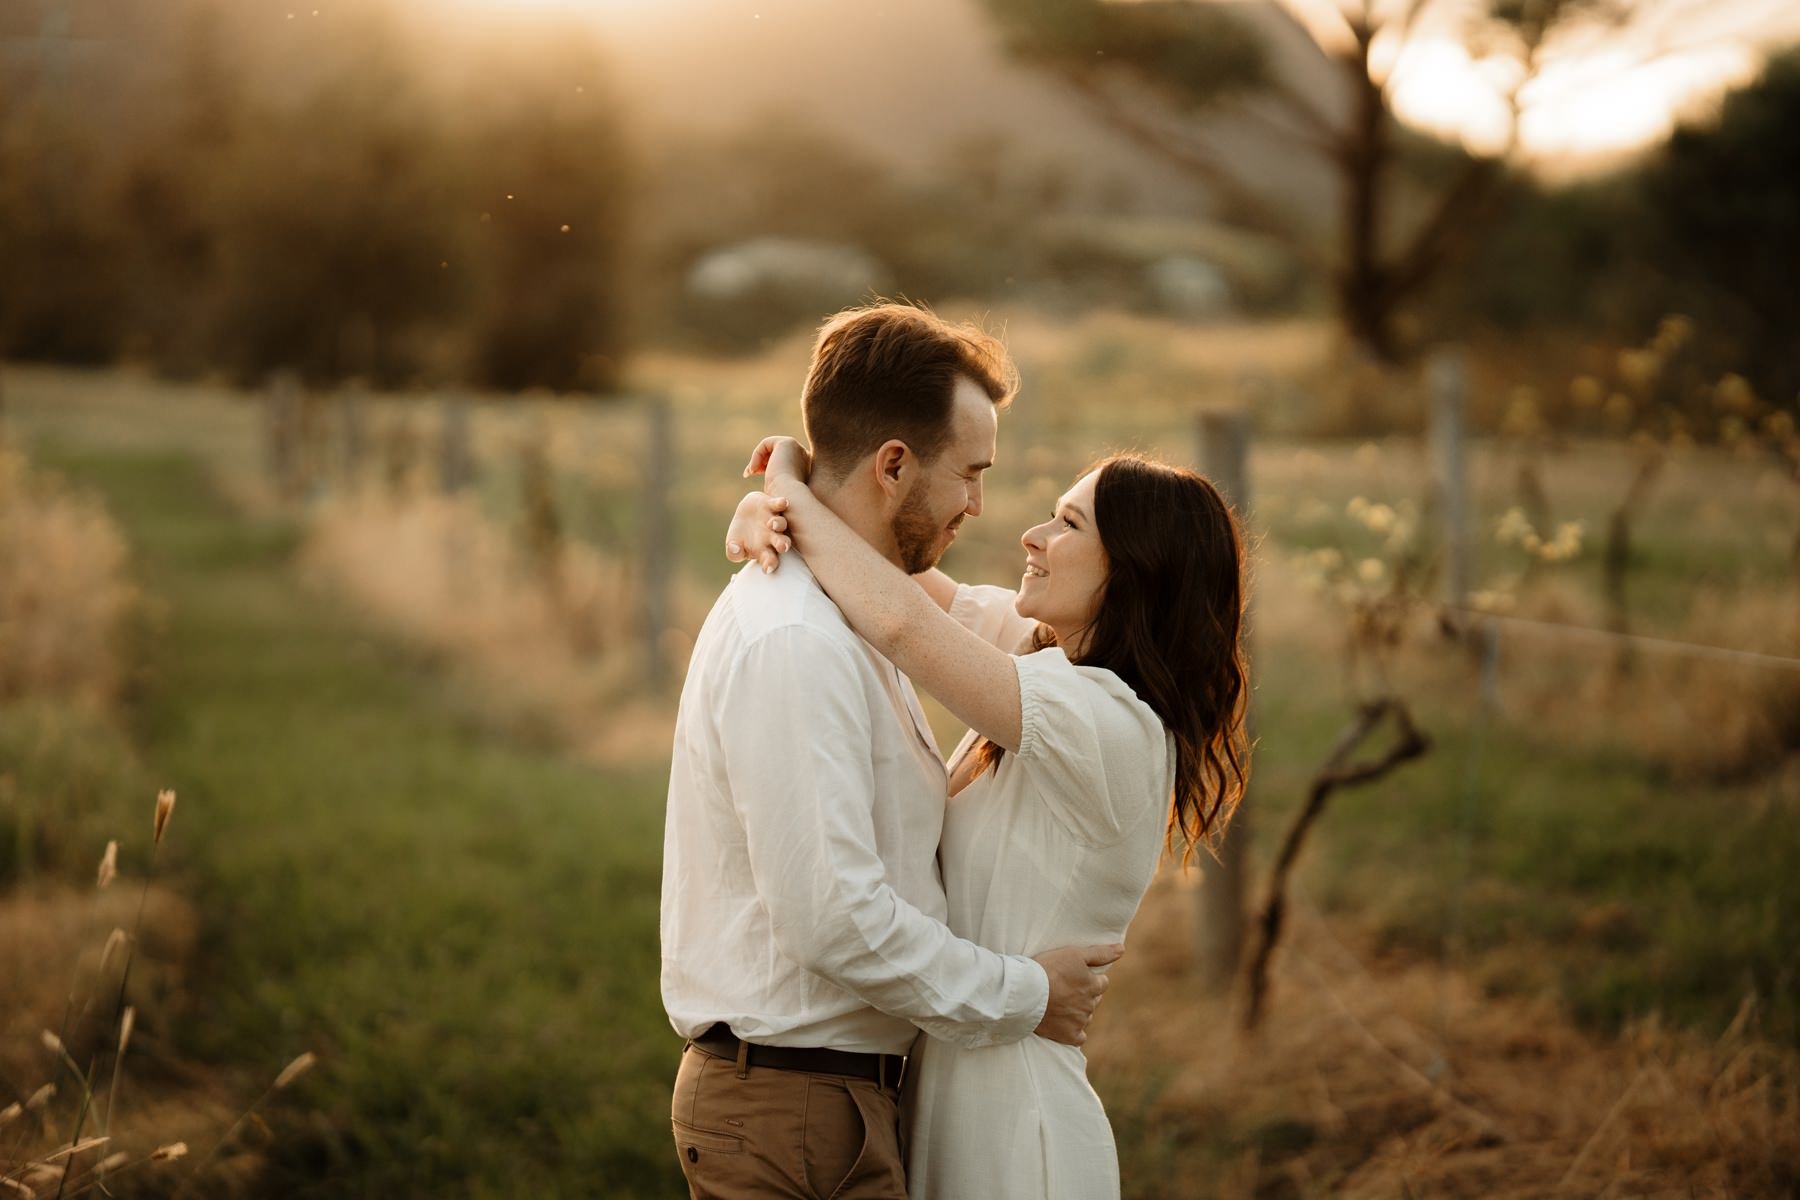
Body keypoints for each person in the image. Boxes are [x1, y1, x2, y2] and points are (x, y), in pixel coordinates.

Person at [660, 303, 1124, 1200]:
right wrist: (1029, 995)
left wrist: (788, 477)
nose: (981, 507)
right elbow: (834, 917)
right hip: (793, 1108)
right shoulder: (797, 638)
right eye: (972, 474)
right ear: (894, 465)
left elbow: (986, 629)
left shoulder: (853, 611)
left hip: (825, 1101)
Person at [725, 431, 1249, 1200]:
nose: (1032, 536)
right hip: (959, 1086)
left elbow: (901, 621)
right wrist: (778, 498)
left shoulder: (1108, 724)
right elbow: (901, 575)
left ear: (1137, 570)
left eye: (1068, 525)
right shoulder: (1048, 660)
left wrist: (796, 500)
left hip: (1017, 1125)